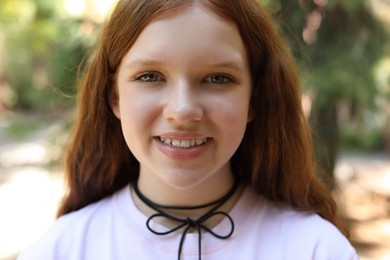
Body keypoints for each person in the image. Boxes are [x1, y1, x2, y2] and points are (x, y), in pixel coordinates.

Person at [18, 0, 358, 259]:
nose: (182, 111)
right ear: (114, 96)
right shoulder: (60, 250)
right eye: (150, 76)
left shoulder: (316, 249)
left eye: (218, 78)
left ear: (254, 99)